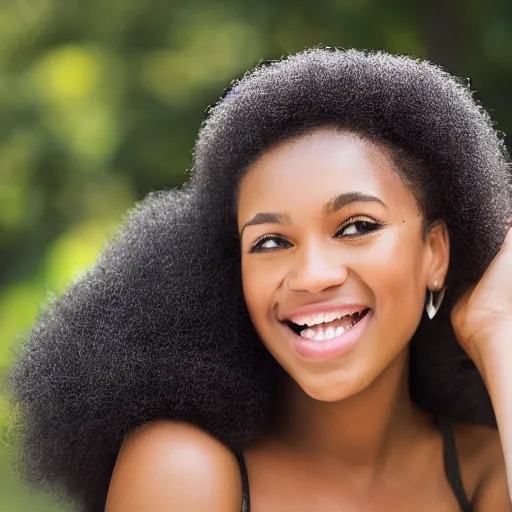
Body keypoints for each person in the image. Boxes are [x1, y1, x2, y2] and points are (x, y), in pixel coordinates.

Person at [8, 48, 512, 511]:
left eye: (357, 226)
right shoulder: (183, 469)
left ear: (435, 252)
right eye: (271, 242)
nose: (313, 276)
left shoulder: (489, 470)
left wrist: (496, 329)